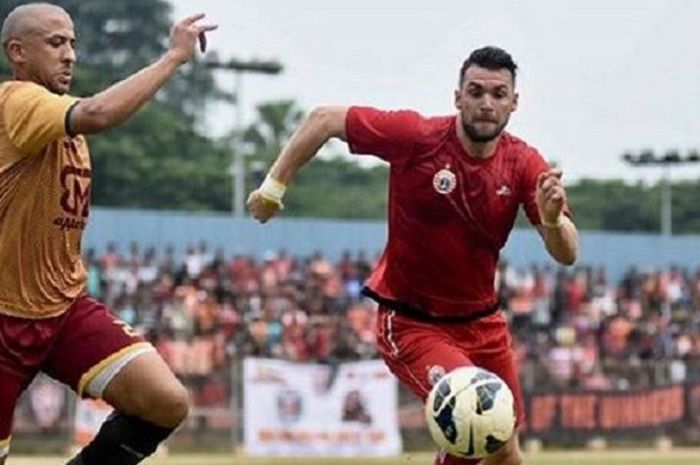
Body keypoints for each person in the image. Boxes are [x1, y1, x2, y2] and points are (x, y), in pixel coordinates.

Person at [248, 46, 579, 465]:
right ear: (457, 97)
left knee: (503, 447)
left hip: (483, 322)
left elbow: (567, 253)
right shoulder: (417, 137)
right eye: (475, 92)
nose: (486, 103)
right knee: (472, 421)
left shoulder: (524, 164)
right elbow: (324, 120)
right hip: (411, 322)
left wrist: (552, 220)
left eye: (498, 94)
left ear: (514, 102)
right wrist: (273, 189)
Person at [0, 3, 216, 465]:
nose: (70, 55)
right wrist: (173, 57)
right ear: (17, 52)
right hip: (3, 320)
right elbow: (98, 113)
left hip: (62, 311)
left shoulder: (61, 121)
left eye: (73, 43)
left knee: (165, 402)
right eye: (56, 43)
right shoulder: (16, 101)